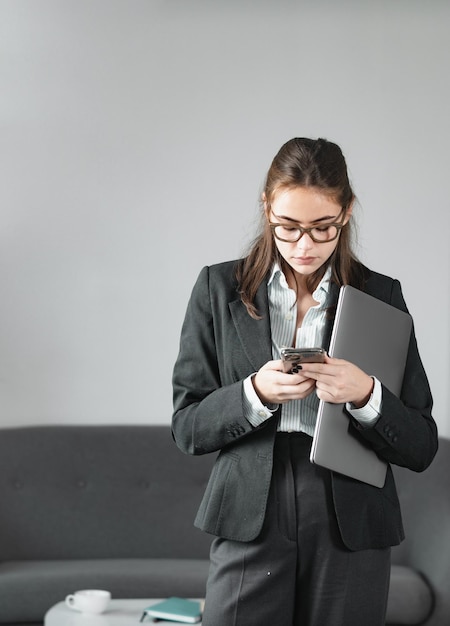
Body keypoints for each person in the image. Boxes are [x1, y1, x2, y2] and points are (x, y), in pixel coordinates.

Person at [172, 137, 438, 626]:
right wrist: (255, 393)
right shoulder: (217, 288)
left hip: (351, 510)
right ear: (266, 208)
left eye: (323, 229)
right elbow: (188, 428)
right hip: (251, 504)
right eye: (288, 228)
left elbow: (421, 445)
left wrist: (366, 394)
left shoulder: (381, 295)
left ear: (347, 212)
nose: (304, 247)